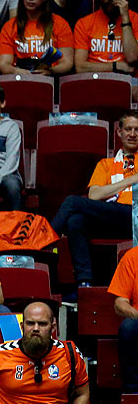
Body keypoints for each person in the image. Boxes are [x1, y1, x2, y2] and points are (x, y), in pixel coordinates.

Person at [52, 110, 138, 288]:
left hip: (134, 216)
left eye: (137, 130)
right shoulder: (105, 164)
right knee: (76, 221)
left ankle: (45, 245)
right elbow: (94, 195)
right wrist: (131, 179)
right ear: (119, 132)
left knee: (72, 202)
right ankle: (85, 282)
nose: (132, 134)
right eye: (128, 129)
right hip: (111, 216)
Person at [0, 0, 76, 73]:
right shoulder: (10, 26)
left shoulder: (60, 24)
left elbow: (67, 63)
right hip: (20, 77)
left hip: (51, 77)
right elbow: (3, 64)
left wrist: (50, 71)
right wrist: (22, 73)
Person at [74, 0, 138, 74]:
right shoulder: (84, 23)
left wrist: (125, 18)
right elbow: (80, 67)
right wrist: (116, 66)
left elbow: (132, 58)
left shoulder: (135, 19)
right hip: (95, 79)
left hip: (128, 79)